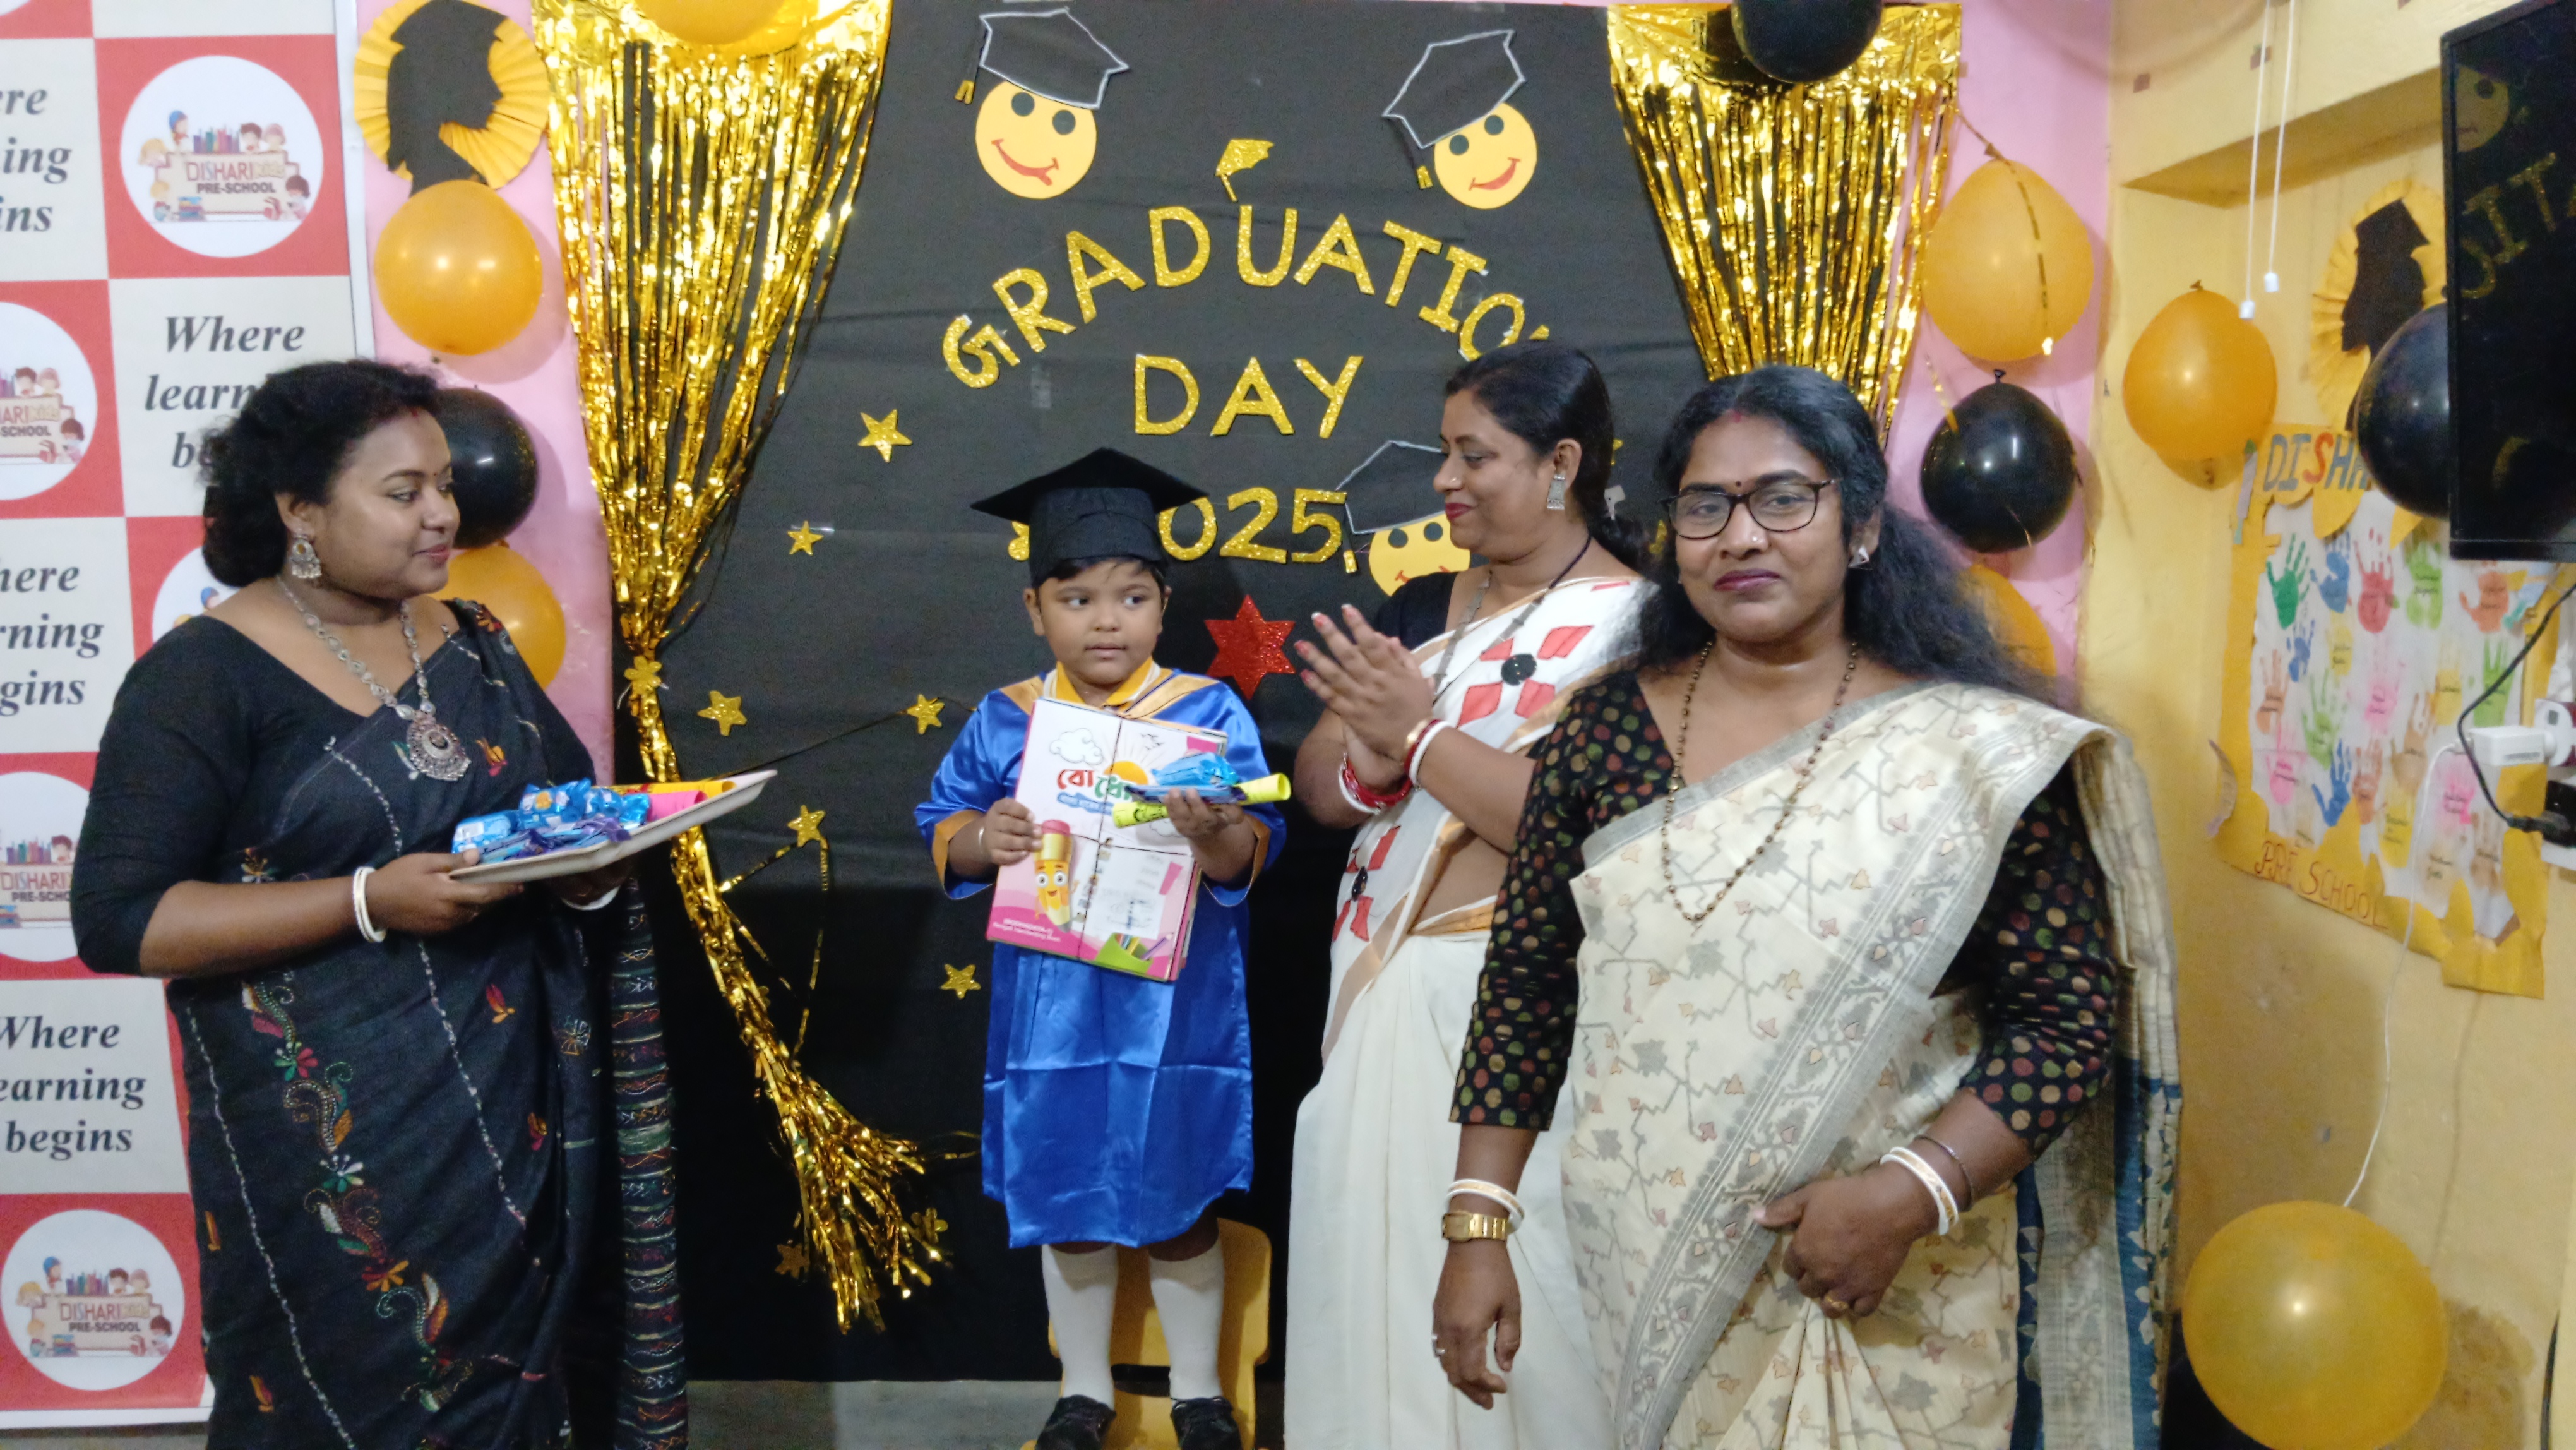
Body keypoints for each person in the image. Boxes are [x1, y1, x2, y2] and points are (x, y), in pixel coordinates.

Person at [1431, 366, 2181, 1449]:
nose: (1742, 537)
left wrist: (1911, 1193)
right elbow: (1527, 985)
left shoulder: (1970, 755)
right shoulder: (1603, 732)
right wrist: (1477, 1226)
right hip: (1653, 1262)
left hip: (1904, 1280)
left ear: (1862, 524)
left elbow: (2065, 1020)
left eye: (1784, 499)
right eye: (1706, 507)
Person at [71, 359, 676, 1449]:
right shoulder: (202, 677)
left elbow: (569, 816)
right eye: (404, 493)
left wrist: (590, 878)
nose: (443, 513)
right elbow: (123, 920)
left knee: (514, 1393)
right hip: (331, 1152)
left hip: (511, 1119)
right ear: (300, 511)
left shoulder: (475, 644)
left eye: (444, 484)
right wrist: (366, 901)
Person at [1285, 342, 1644, 1449]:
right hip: (1376, 987)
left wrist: (1418, 738)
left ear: (1560, 465)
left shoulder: (1645, 628)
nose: (1444, 479)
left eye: (1473, 455)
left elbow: (1575, 832)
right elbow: (1321, 781)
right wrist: (1374, 759)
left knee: (1523, 1321)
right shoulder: (1420, 604)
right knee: (1373, 1299)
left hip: (1509, 1012)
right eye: (1446, 452)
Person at [915, 448, 1286, 1450]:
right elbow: (946, 822)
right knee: (1067, 1194)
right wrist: (982, 837)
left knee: (1178, 1197)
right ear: (1036, 610)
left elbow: (1252, 850)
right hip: (1054, 1005)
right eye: (1076, 599)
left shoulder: (1206, 715)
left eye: (1132, 596)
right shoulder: (1010, 718)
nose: (1106, 620)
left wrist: (1216, 834)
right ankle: (1083, 1393)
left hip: (1175, 1005)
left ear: (1164, 607)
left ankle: (1200, 1393)